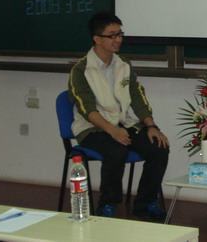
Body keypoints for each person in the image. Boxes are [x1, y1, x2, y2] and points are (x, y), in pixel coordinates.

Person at [68, 11, 170, 221]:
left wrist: (151, 126)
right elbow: (87, 110)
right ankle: (108, 204)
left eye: (120, 34)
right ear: (97, 39)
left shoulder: (124, 64)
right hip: (92, 129)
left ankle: (145, 204)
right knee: (116, 151)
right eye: (112, 35)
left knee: (159, 147)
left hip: (124, 123)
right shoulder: (80, 70)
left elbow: (137, 97)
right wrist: (112, 131)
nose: (118, 40)